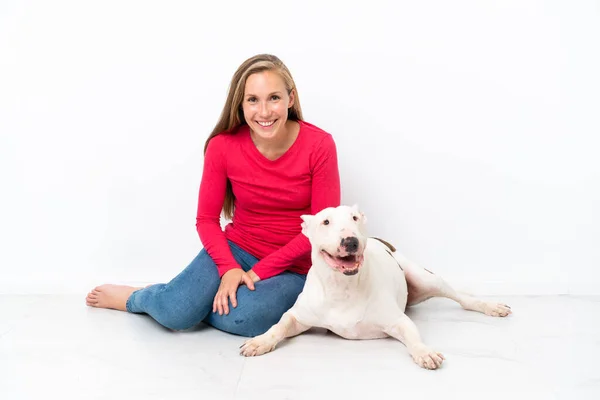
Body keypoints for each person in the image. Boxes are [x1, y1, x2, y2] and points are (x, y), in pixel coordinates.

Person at [85, 54, 341, 337]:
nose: (265, 112)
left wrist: (257, 273)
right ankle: (143, 297)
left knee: (245, 319)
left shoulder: (319, 145)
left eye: (274, 98)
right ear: (240, 104)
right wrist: (229, 268)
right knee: (175, 313)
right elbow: (206, 219)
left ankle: (187, 299)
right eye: (253, 100)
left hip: (294, 267)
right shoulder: (222, 146)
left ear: (290, 99)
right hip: (238, 249)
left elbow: (321, 230)